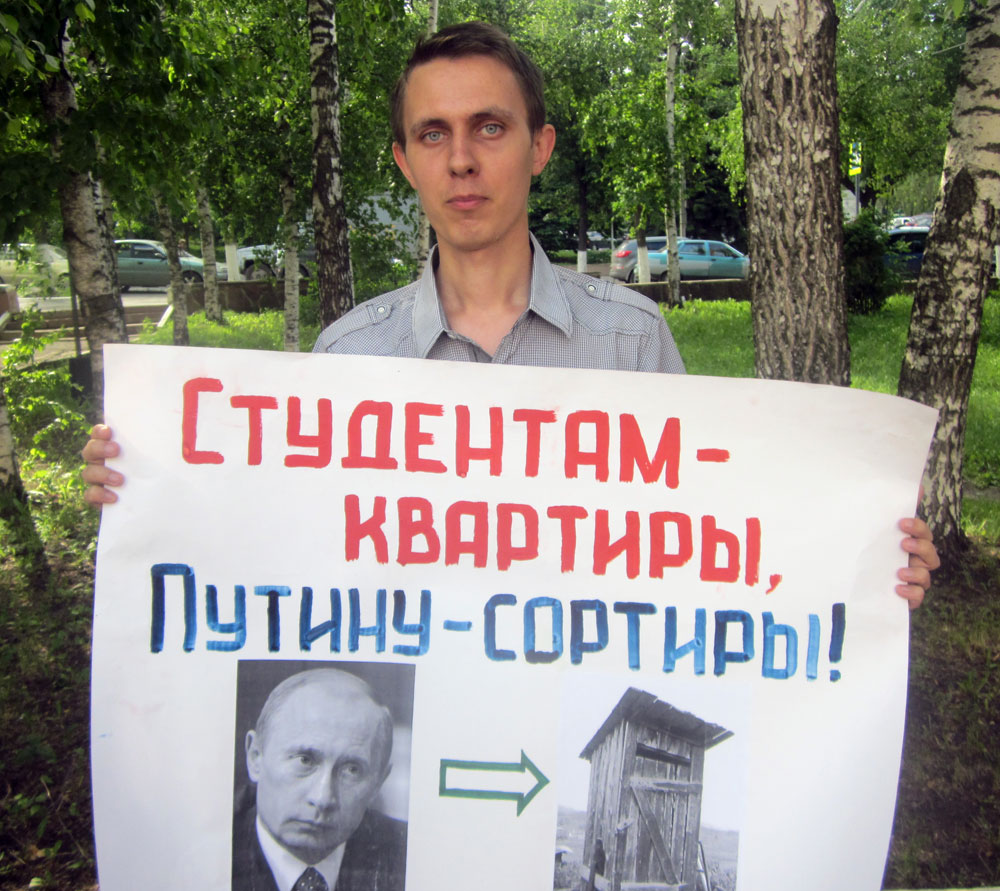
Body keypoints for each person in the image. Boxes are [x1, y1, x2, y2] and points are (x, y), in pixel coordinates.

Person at [81, 21, 939, 605]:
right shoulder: (348, 357)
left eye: (489, 127)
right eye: (433, 133)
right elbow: (290, 550)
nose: (461, 159)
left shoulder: (632, 340)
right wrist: (156, 492)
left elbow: (708, 545)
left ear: (539, 148)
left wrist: (856, 562)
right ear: (404, 161)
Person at [231, 668, 406, 891]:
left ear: (378, 783)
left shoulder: (409, 855)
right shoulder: (205, 849)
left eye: (351, 770)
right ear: (255, 757)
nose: (323, 799)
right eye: (305, 760)